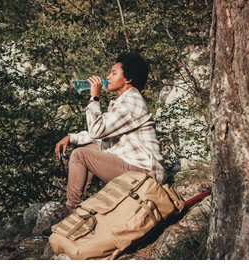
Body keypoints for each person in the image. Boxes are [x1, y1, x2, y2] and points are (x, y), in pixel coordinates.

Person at [55, 51, 167, 213]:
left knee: (80, 155)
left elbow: (97, 130)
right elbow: (103, 134)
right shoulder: (124, 101)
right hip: (134, 164)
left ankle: (71, 210)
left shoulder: (132, 102)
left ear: (128, 79)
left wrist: (94, 98)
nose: (108, 76)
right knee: (89, 147)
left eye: (114, 73)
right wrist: (71, 137)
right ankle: (79, 208)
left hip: (147, 173)